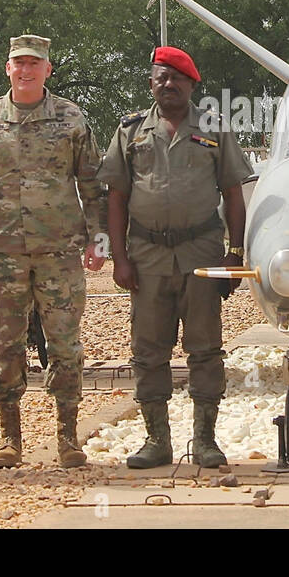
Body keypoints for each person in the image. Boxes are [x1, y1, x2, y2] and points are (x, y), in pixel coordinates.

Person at [0, 35, 107, 469]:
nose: (27, 70)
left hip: (60, 253)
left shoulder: (71, 119)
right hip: (4, 254)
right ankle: (9, 437)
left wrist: (99, 237)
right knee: (5, 346)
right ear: (8, 68)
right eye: (19, 63)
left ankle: (68, 437)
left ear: (48, 70)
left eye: (35, 63)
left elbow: (93, 185)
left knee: (65, 346)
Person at [98, 46, 252, 469]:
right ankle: (157, 440)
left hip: (201, 256)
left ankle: (205, 440)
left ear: (191, 85)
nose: (168, 85)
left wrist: (234, 254)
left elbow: (234, 195)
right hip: (147, 258)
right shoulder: (130, 131)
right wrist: (120, 258)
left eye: (176, 79)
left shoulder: (215, 129)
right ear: (151, 83)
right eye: (160, 78)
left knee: (205, 349)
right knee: (148, 352)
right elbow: (116, 196)